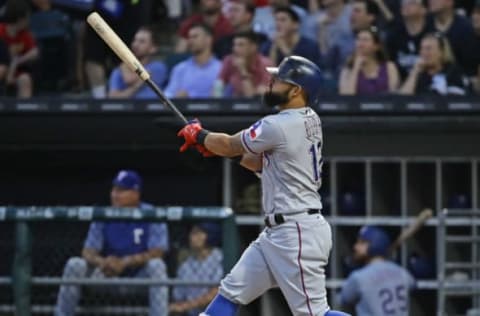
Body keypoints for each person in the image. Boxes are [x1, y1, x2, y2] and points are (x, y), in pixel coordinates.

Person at [177, 55, 349, 316]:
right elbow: (257, 163)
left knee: (315, 314)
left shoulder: (279, 125)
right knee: (229, 294)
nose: (271, 82)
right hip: (278, 233)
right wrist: (212, 145)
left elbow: (229, 144)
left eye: (279, 80)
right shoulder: (309, 118)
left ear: (296, 90)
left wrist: (200, 135)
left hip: (296, 232)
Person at [55, 170, 169, 316]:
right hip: (106, 276)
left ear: (135, 193)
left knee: (157, 266)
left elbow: (158, 251)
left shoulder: (151, 213)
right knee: (75, 264)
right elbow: (88, 251)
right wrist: (103, 262)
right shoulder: (103, 214)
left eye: (121, 190)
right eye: (114, 189)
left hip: (138, 279)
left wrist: (125, 262)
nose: (115, 194)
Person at [340, 226, 415, 316]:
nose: (356, 247)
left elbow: (343, 299)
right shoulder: (402, 272)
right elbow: (412, 284)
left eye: (362, 243)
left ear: (375, 244)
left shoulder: (359, 277)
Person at [83, 0, 147, 98]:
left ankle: (122, 96)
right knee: (93, 58)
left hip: (128, 11)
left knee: (125, 56)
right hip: (100, 11)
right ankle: (100, 100)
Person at [169, 222, 224, 316]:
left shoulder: (220, 258)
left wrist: (186, 306)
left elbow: (217, 293)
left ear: (209, 235)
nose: (192, 237)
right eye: (192, 233)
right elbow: (178, 297)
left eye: (198, 233)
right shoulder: (186, 265)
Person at [400, 32, 470, 95]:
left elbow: (457, 102)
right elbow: (403, 100)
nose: (424, 53)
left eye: (428, 48)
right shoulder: (419, 75)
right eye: (422, 48)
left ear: (441, 52)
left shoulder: (453, 72)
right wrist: (414, 72)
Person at [108, 26, 167, 99]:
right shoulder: (118, 71)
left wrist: (124, 66)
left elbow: (129, 79)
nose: (135, 45)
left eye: (142, 41)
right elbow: (113, 98)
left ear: (153, 48)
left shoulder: (158, 67)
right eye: (134, 40)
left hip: (153, 109)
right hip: (127, 110)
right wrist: (138, 84)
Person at [165, 24, 221, 99]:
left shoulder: (221, 68)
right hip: (183, 110)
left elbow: (229, 97)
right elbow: (167, 94)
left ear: (208, 39)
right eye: (189, 37)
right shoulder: (180, 68)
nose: (190, 40)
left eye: (195, 37)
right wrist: (176, 96)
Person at [339, 27, 399, 95]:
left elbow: (393, 97)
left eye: (365, 40)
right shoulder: (347, 69)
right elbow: (346, 99)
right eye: (358, 39)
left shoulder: (389, 67)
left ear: (376, 46)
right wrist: (356, 68)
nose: (360, 44)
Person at [214, 31, 273, 97]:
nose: (235, 49)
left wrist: (243, 71)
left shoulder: (266, 65)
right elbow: (217, 88)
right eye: (234, 45)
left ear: (253, 47)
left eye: (241, 45)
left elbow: (253, 99)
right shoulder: (229, 61)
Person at [0, 0, 39, 98]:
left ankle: (25, 111)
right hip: (3, 70)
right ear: (20, 19)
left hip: (17, 73)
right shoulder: (1, 30)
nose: (29, 20)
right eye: (27, 17)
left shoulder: (25, 35)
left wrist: (18, 61)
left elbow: (34, 52)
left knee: (25, 79)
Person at [428, 0, 477, 76]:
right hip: (427, 79)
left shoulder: (465, 28)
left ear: (450, 2)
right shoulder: (425, 23)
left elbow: (471, 67)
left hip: (459, 80)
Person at [386, 0, 432, 79]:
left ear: (424, 9)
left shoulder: (432, 34)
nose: (406, 5)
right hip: (401, 85)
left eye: (412, 2)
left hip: (429, 85)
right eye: (403, 3)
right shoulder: (393, 37)